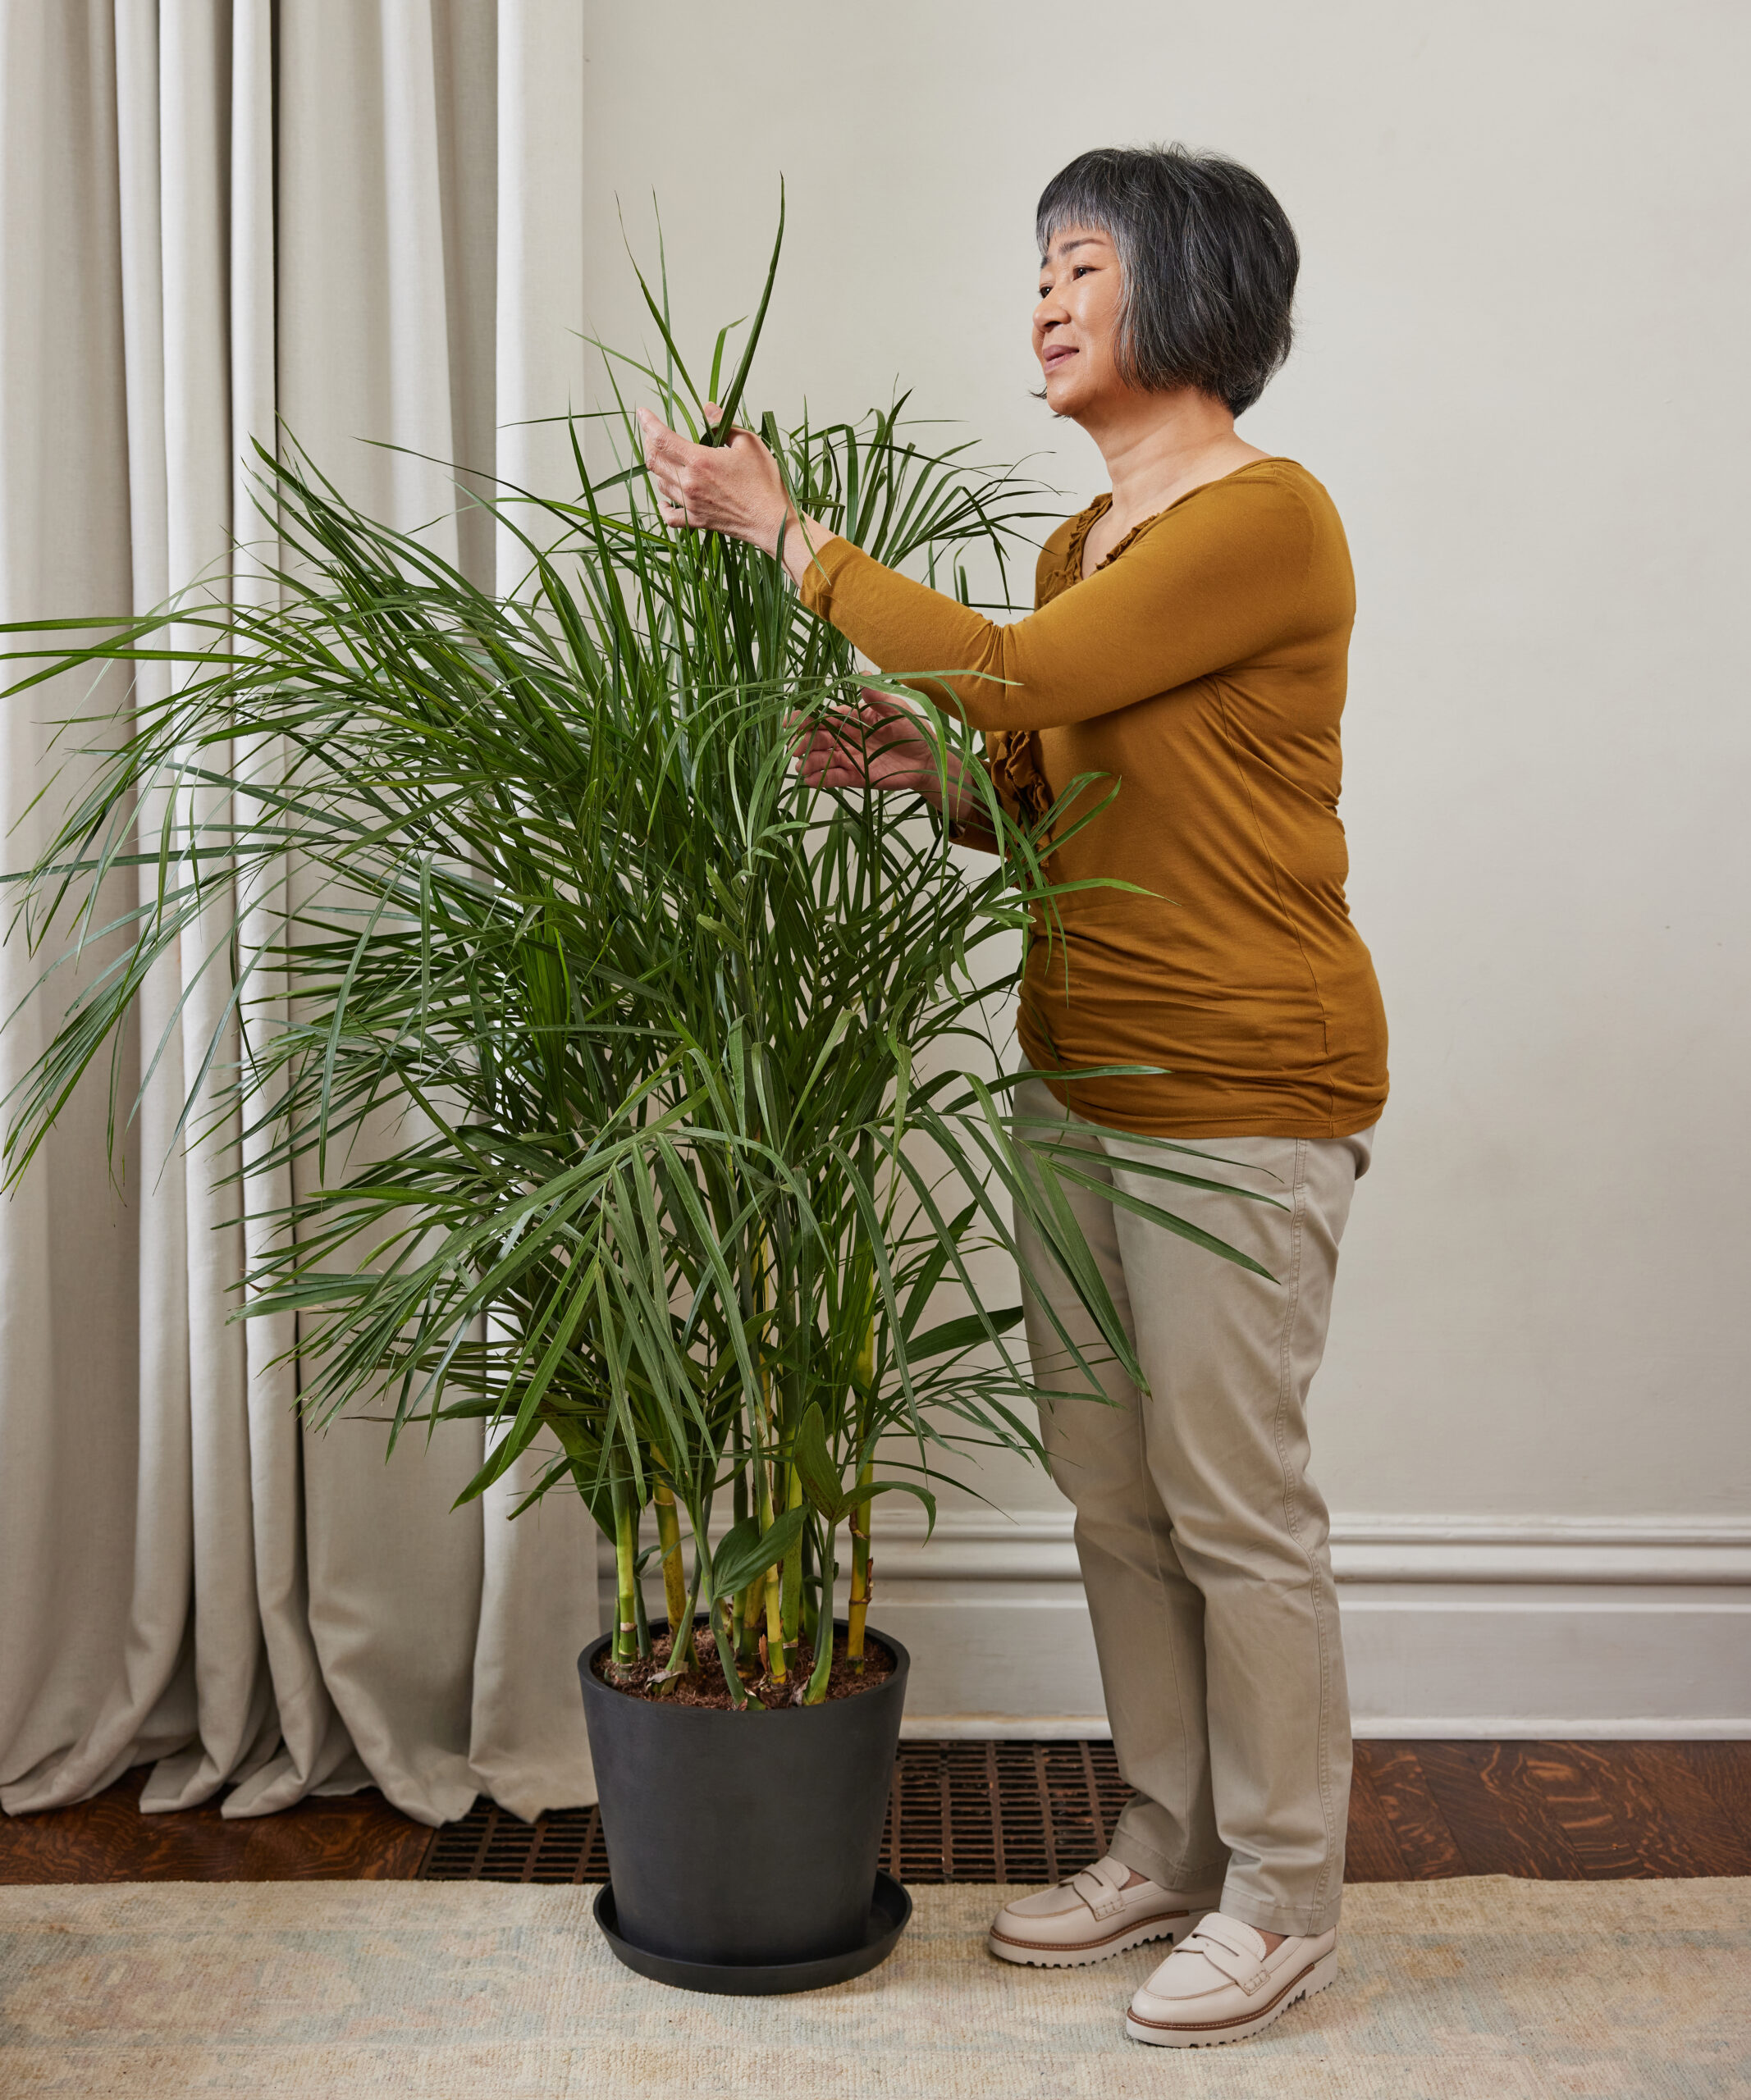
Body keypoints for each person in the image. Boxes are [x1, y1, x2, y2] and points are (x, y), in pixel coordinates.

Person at [638, 142, 1387, 2050]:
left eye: (1080, 264)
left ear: (1193, 291)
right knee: (1115, 1498)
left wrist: (782, 537)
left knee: (1234, 1501)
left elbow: (1009, 669)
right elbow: (1052, 786)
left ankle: (1286, 1890)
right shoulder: (1082, 541)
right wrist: (930, 784)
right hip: (1080, 1079)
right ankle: (1167, 1837)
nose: (1043, 301)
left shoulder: (1261, 522)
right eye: (1036, 268)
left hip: (1240, 1086)